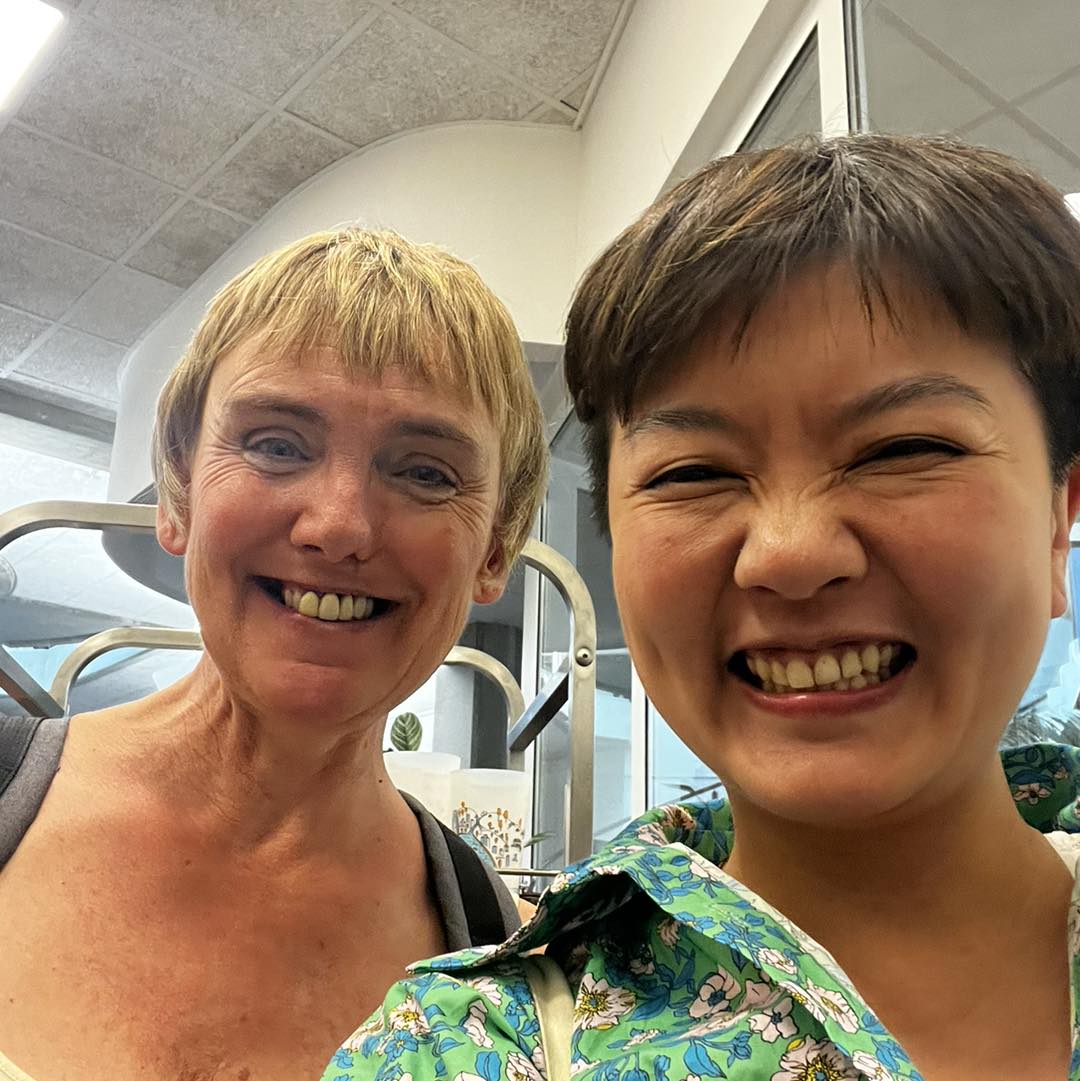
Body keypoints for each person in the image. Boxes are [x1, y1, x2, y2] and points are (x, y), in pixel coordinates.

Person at [324, 135, 1080, 1081]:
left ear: (1060, 519)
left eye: (901, 450)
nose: (790, 553)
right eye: (693, 473)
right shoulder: (465, 1048)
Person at [0, 227, 547, 1081]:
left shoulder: (497, 952)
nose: (339, 525)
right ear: (179, 492)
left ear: (494, 549)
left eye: (426, 473)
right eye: (276, 444)